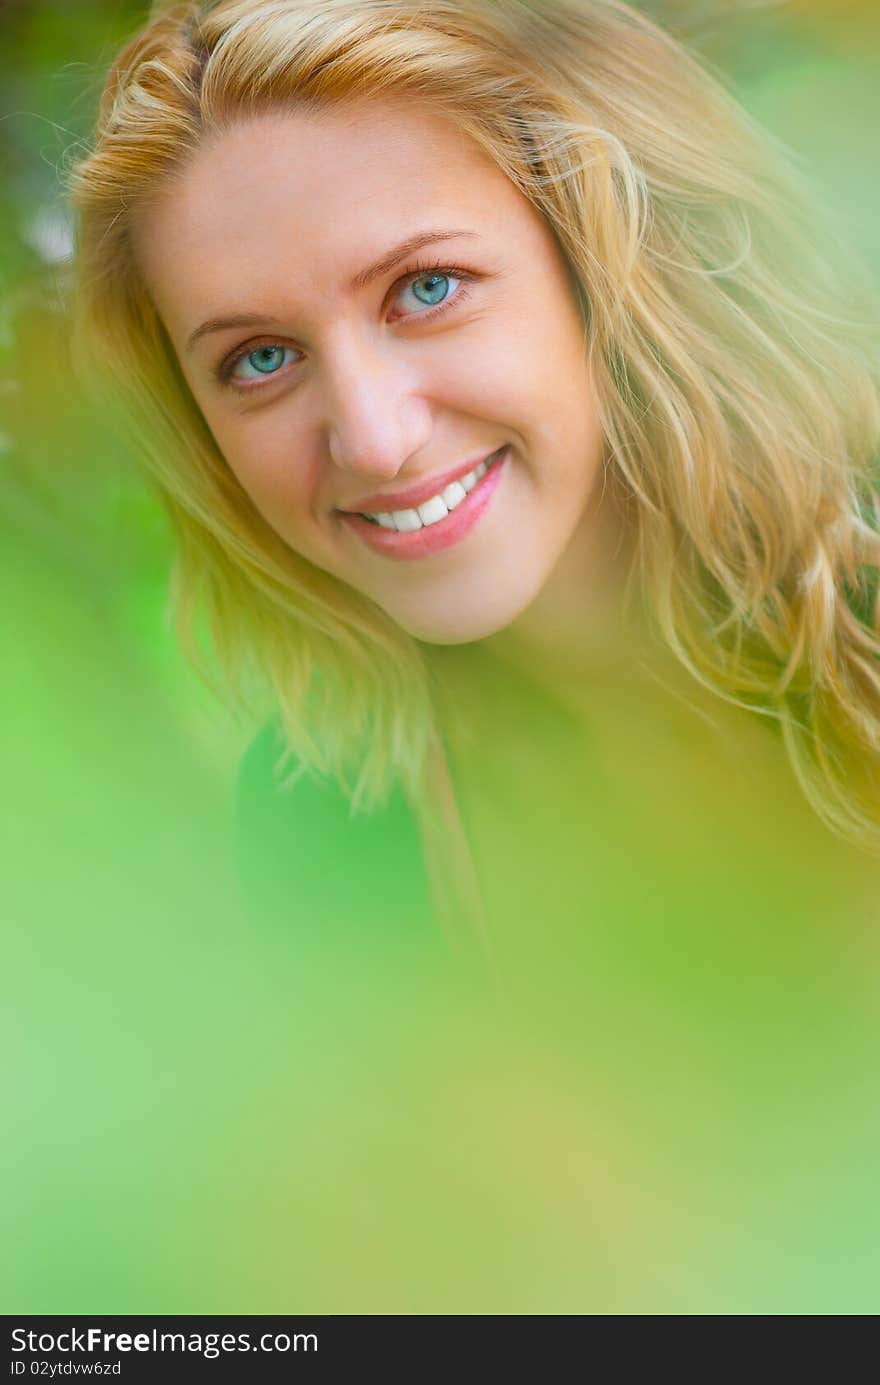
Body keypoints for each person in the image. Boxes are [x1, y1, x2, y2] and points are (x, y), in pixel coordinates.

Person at [64, 0, 880, 1314]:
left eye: (426, 289)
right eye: (259, 359)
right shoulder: (328, 816)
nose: (375, 437)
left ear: (601, 262)